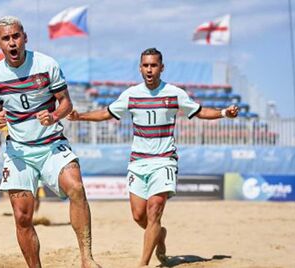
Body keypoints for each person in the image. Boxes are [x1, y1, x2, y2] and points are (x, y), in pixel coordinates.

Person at [67, 48, 239, 267]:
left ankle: (144, 264)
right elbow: (106, 113)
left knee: (154, 210)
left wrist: (224, 113)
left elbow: (199, 111)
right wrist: (80, 116)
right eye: (146, 65)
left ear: (161, 68)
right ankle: (160, 235)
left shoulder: (175, 93)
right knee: (139, 216)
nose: (149, 69)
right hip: (138, 162)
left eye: (153, 65)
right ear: (140, 68)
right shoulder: (131, 94)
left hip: (164, 160)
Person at [0, 16, 100, 268]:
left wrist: (54, 115)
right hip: (19, 152)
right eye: (6, 38)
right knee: (22, 217)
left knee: (77, 189)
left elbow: (66, 103)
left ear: (25, 37)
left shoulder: (46, 64)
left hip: (51, 144)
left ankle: (86, 258)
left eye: (16, 36)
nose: (12, 42)